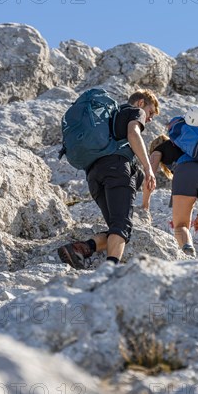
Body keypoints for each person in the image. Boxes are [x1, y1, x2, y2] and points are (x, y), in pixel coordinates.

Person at [58, 89, 159, 268]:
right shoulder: (135, 111)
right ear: (141, 103)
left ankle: (80, 249)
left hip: (93, 176)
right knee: (121, 226)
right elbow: (133, 134)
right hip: (117, 169)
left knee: (118, 226)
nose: (149, 118)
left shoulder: (107, 118)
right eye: (151, 112)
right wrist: (148, 167)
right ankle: (110, 271)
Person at [142, 105, 198, 258]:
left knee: (181, 224)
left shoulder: (161, 148)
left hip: (186, 172)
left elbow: (149, 175)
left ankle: (188, 252)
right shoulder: (191, 143)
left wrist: (145, 204)